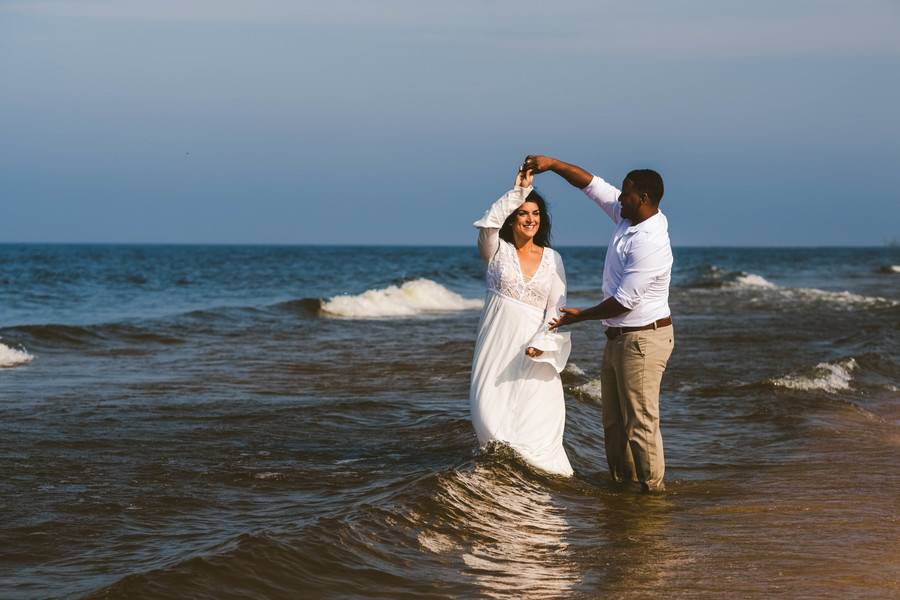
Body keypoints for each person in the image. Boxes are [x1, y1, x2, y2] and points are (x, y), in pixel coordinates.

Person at [523, 154, 674, 492]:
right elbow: (590, 184)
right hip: (619, 337)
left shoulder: (650, 242)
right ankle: (624, 490)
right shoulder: (628, 217)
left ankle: (652, 496)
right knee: (614, 423)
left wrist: (581, 316)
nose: (619, 198)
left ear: (643, 198)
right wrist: (554, 164)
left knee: (641, 423)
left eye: (626, 193)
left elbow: (624, 302)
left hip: (643, 340)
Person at [469, 166, 574, 476]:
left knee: (538, 424)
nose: (531, 219)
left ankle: (542, 489)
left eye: (536, 213)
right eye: (524, 213)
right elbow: (488, 224)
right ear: (512, 219)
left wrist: (542, 343)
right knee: (489, 416)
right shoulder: (496, 251)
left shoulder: (554, 259)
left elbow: (557, 308)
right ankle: (501, 483)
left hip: (534, 351)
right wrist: (518, 192)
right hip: (496, 352)